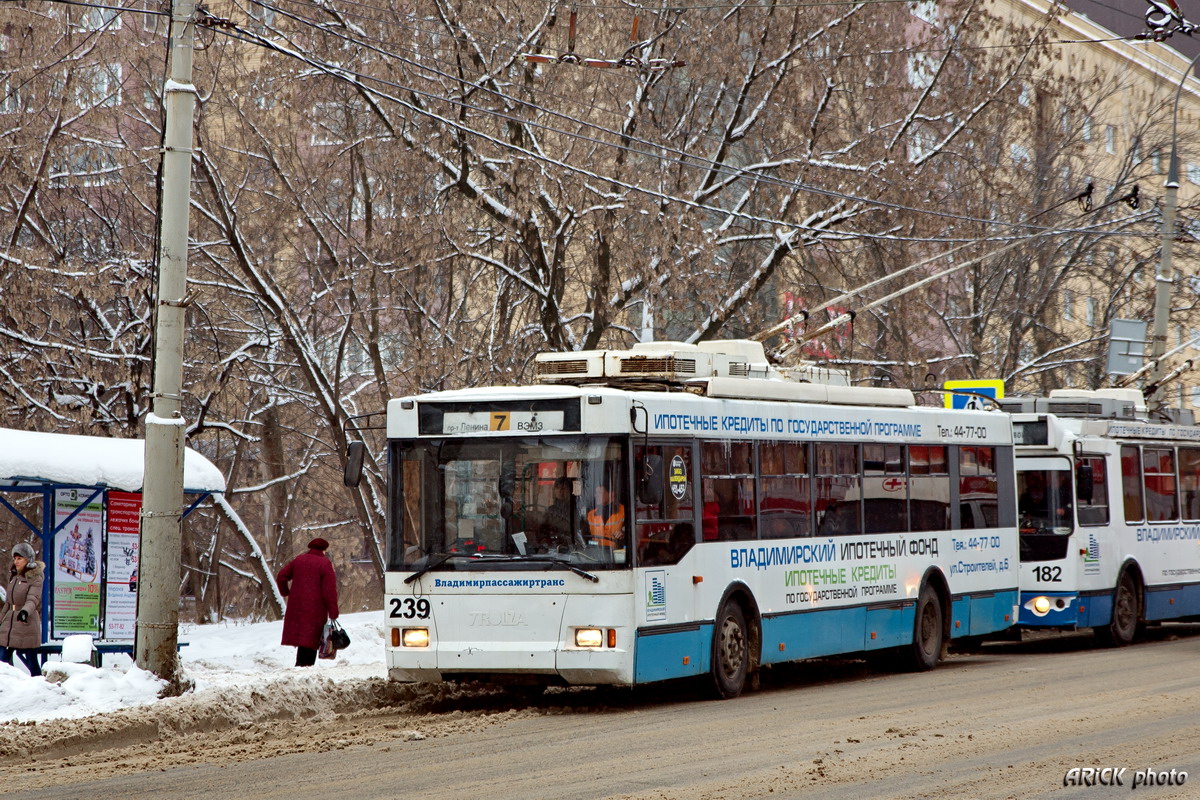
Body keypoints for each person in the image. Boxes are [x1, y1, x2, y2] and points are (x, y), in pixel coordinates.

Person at [276, 538, 340, 667]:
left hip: (297, 606)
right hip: (315, 608)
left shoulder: (299, 560)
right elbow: (329, 591)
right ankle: (306, 667)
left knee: (303, 638)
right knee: (312, 639)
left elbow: (281, 576)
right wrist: (333, 611)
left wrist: (286, 592)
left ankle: (300, 665)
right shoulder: (325, 564)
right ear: (324, 549)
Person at [0, 542, 44, 677]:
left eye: (20, 558)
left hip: (26, 623)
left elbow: (33, 599)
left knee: (31, 661)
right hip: (10, 624)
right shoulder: (14, 577)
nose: (16, 561)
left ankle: (40, 686)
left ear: (28, 559)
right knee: (2, 659)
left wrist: (25, 612)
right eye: (15, 558)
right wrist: (1, 620)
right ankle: (7, 686)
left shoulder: (35, 577)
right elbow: (8, 602)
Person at [538, 477, 576, 548]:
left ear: (570, 490)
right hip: (553, 547)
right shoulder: (550, 510)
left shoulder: (576, 508)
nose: (560, 491)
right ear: (554, 491)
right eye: (558, 488)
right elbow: (542, 530)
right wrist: (544, 540)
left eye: (564, 488)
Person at [586, 480, 625, 548]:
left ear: (611, 494)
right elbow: (584, 537)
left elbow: (633, 535)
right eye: (596, 492)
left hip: (615, 555)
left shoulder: (625, 512)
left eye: (600, 492)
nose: (596, 495)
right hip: (594, 554)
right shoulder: (591, 515)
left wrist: (623, 534)